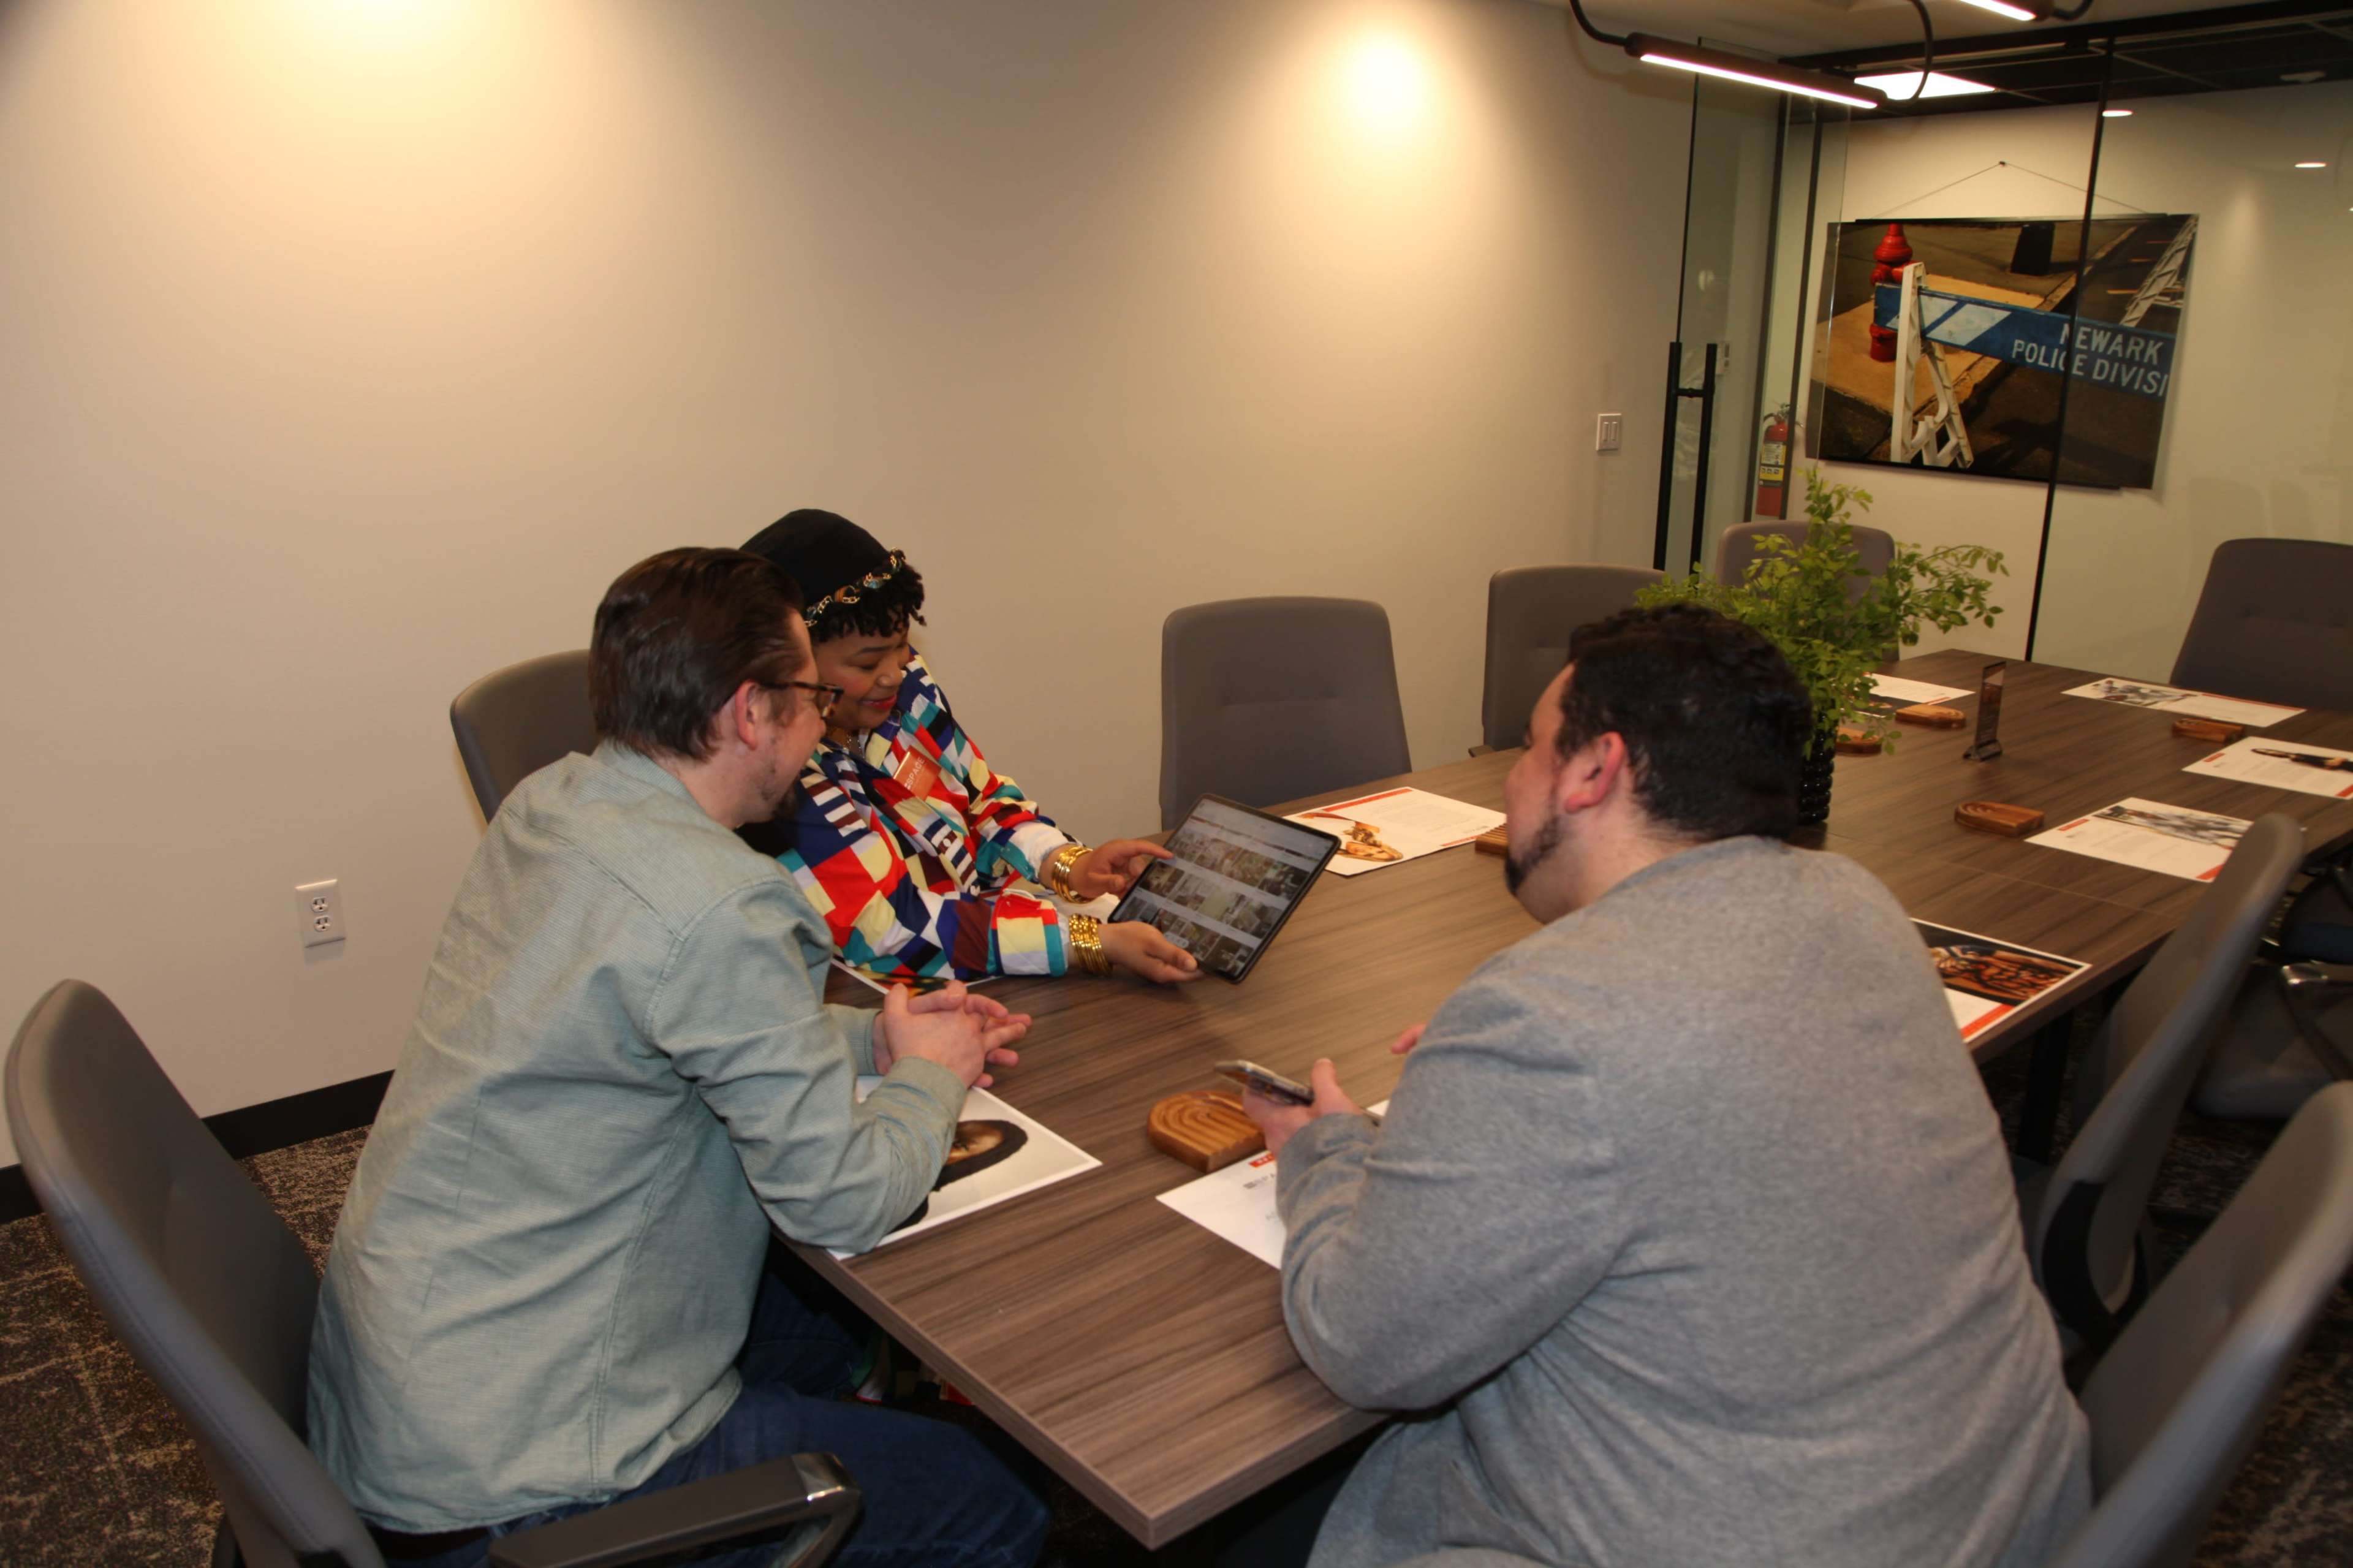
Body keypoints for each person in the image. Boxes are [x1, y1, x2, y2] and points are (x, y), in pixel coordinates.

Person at [1241, 604, 2089, 1568]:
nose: (1511, 781)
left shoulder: (1552, 1022)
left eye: (1527, 749)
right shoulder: (1853, 898)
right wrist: (1504, 1078)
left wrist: (1325, 1149)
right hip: (2004, 1505)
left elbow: (1364, 1343)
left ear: (1596, 769)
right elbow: (1712, 1067)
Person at [307, 548, 1050, 1568]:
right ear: (753, 712)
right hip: (525, 1483)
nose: (824, 718)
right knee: (992, 1498)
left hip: (423, 1381)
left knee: (829, 1323)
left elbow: (665, 1025)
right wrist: (927, 1076)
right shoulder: (720, 901)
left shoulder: (554, 806)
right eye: (808, 695)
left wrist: (880, 1034)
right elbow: (838, 1199)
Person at [737, 508, 1199, 985]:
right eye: (868, 660)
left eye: (900, 645)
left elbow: (980, 796)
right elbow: (886, 929)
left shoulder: (904, 687)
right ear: (794, 666)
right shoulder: (780, 770)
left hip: (990, 953)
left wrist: (1067, 863)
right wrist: (1085, 940)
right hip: (889, 995)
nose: (894, 672)